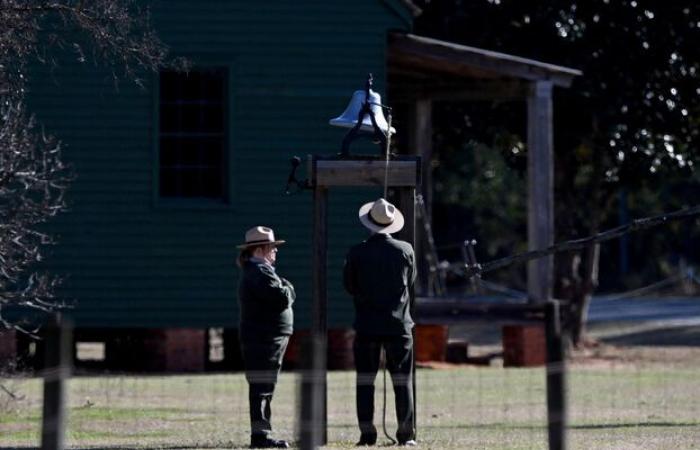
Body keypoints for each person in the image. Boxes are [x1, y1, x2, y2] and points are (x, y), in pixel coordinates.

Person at [343, 198, 417, 447]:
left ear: (369, 224)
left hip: (367, 325)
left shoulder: (356, 252)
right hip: (399, 326)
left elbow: (350, 286)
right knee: (402, 382)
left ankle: (367, 435)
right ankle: (406, 435)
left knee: (365, 382)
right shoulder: (405, 250)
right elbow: (412, 280)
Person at [237, 226, 295, 449]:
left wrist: (284, 288)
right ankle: (261, 437)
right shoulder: (260, 272)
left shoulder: (260, 270)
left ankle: (262, 433)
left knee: (265, 385)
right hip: (264, 338)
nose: (275, 252)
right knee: (262, 385)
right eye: (272, 248)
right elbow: (281, 297)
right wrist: (289, 287)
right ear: (260, 250)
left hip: (266, 337)